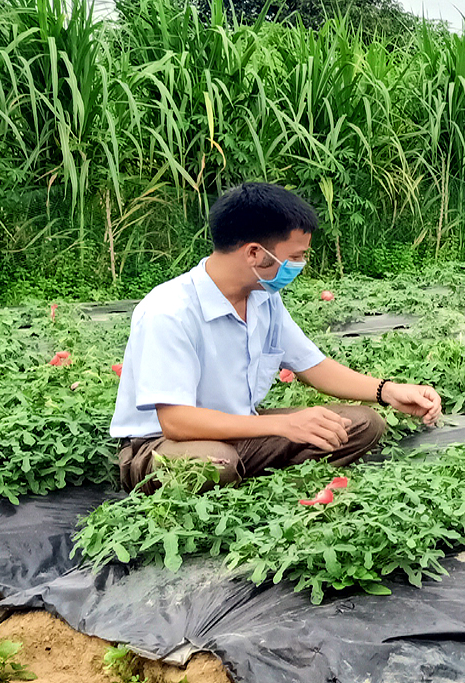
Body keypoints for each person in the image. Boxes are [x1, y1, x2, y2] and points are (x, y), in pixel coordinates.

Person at [111, 182, 443, 492]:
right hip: (159, 446)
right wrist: (284, 427)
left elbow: (313, 366)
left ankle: (258, 480)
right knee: (216, 463)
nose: (300, 265)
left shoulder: (263, 298)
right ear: (254, 253)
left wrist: (388, 391)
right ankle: (260, 477)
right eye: (296, 256)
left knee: (361, 424)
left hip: (240, 428)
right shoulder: (170, 310)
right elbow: (177, 422)